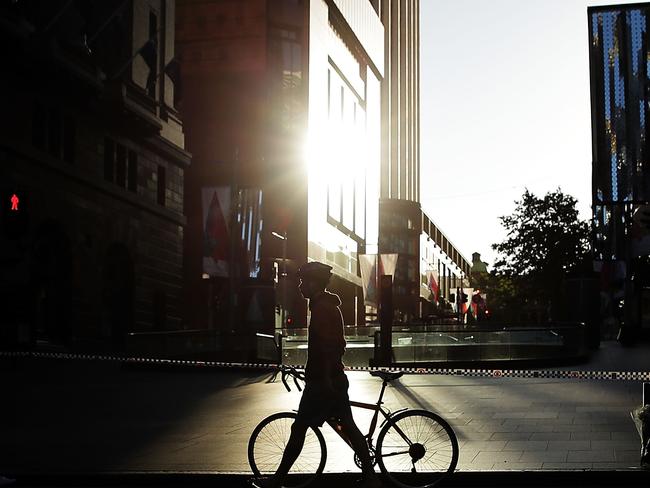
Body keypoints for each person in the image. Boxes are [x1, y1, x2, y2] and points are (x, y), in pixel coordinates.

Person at [250, 261, 383, 488]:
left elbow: (326, 348)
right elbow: (334, 346)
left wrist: (322, 377)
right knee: (347, 424)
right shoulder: (326, 307)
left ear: (314, 283)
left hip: (323, 384)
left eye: (304, 281)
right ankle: (371, 477)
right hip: (331, 379)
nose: (300, 286)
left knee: (299, 427)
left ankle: (278, 479)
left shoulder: (322, 309)